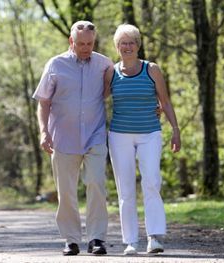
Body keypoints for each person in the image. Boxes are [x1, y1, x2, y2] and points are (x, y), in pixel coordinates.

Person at [33, 21, 113, 256]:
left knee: (96, 183)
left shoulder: (104, 64)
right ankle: (71, 239)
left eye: (90, 43)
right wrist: (44, 131)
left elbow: (119, 89)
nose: (86, 48)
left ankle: (97, 238)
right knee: (66, 191)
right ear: (71, 42)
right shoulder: (55, 65)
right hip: (63, 139)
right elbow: (44, 102)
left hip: (95, 135)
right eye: (81, 44)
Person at [104, 24, 181, 255]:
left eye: (131, 42)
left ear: (138, 45)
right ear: (117, 47)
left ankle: (154, 237)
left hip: (150, 133)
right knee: (125, 189)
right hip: (119, 135)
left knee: (151, 182)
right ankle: (130, 241)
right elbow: (97, 100)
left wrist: (176, 130)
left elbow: (165, 102)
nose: (127, 47)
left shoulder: (152, 69)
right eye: (122, 43)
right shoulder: (111, 72)